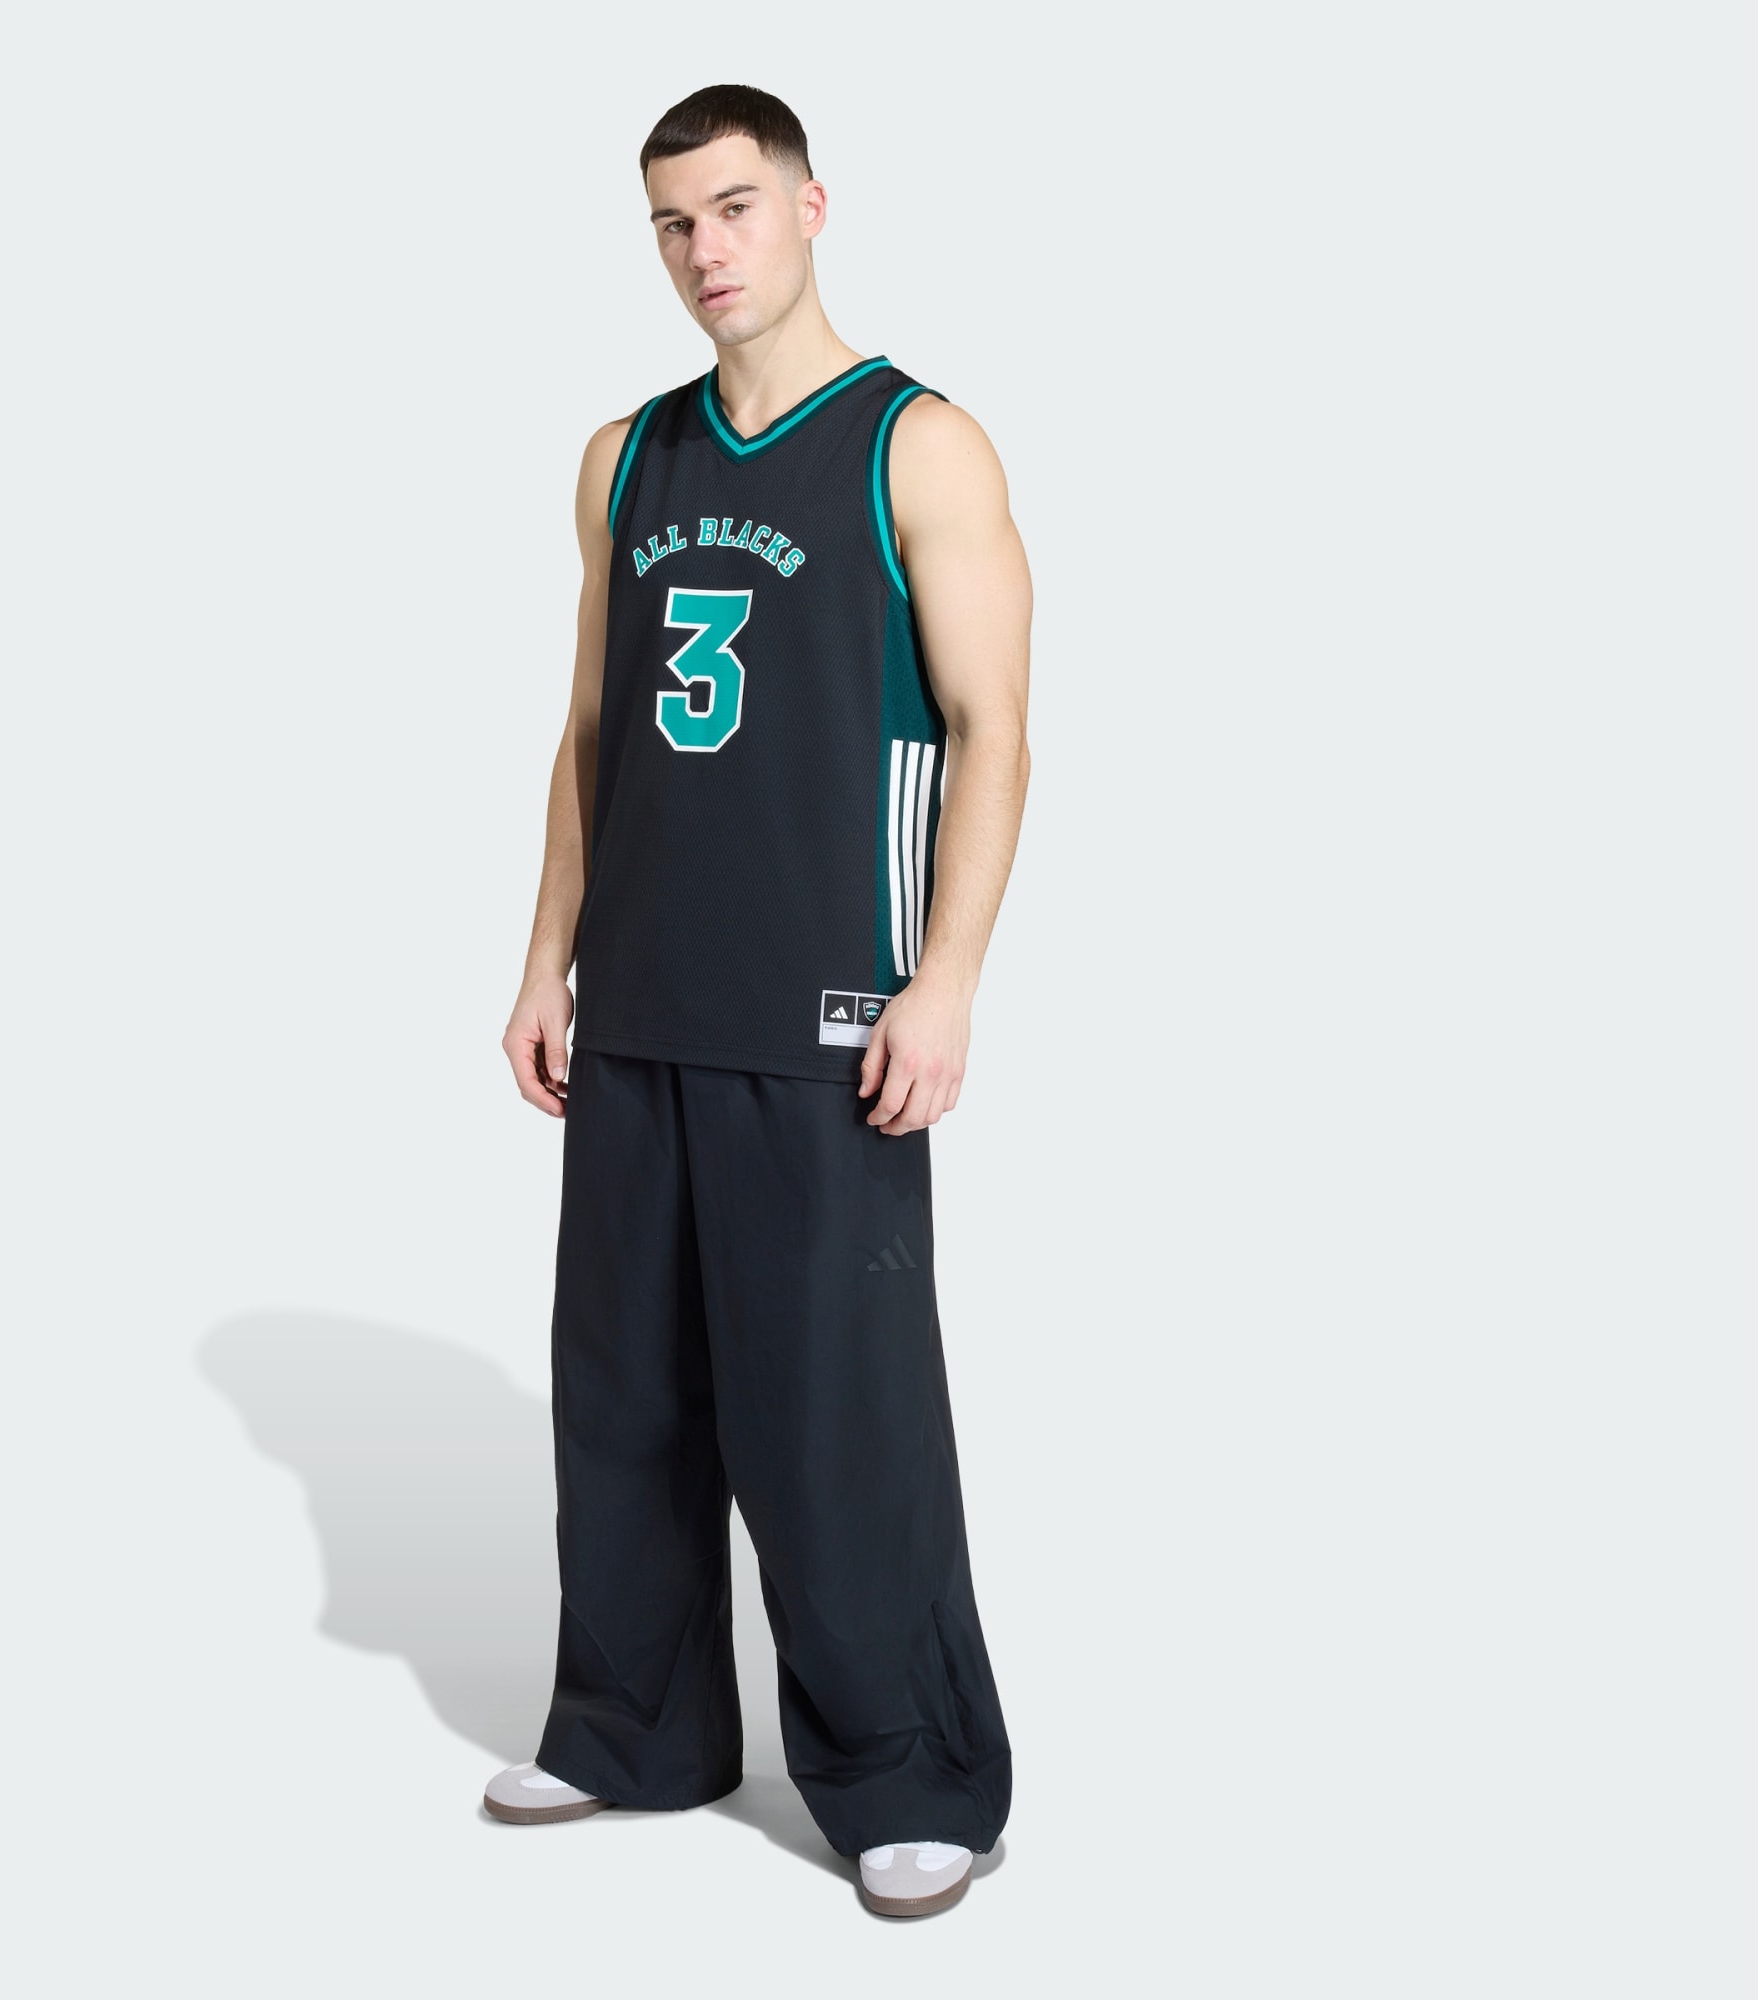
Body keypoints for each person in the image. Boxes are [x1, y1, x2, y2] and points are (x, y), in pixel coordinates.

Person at [493, 83, 1032, 1920]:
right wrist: (545, 959)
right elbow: (592, 729)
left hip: (826, 1017)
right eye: (673, 223)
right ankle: (630, 1729)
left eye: (733, 207)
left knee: (836, 1415)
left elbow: (994, 731)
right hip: (642, 1003)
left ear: (810, 205)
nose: (704, 251)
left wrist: (945, 981)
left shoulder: (917, 445)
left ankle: (913, 1775)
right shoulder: (624, 457)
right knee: (624, 1398)